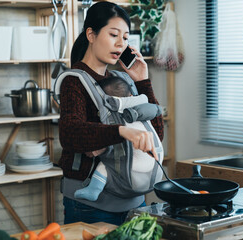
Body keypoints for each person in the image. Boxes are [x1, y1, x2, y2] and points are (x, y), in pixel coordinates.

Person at [58, 1, 164, 225]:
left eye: (125, 38)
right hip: (91, 207)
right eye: (114, 34)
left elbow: (155, 134)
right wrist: (123, 131)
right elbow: (71, 134)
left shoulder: (124, 80)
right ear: (91, 34)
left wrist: (143, 81)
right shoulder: (73, 81)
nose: (120, 44)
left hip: (135, 204)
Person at [73, 76, 164, 202]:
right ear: (131, 95)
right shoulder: (142, 109)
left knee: (105, 165)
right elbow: (159, 134)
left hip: (133, 169)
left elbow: (106, 146)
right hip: (155, 164)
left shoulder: (112, 119)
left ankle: (93, 189)